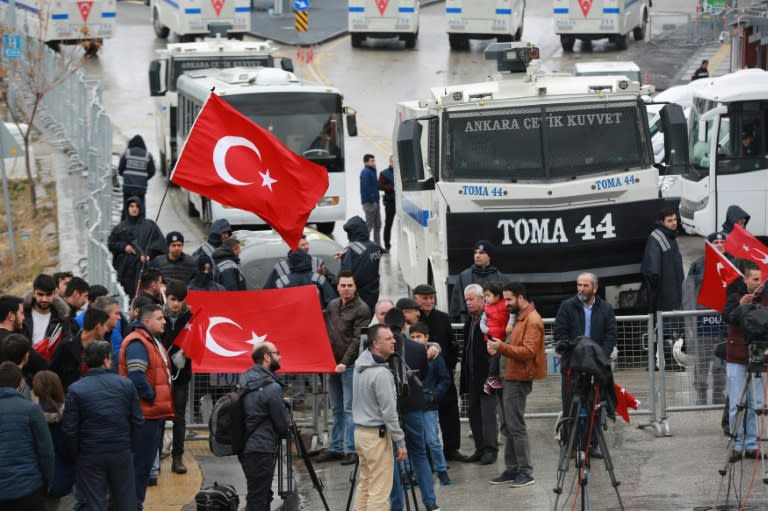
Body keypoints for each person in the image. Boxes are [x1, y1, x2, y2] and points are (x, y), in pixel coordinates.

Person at [62, 341, 143, 511]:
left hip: (90, 453)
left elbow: (70, 429)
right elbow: (137, 421)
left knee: (93, 501)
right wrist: (130, 447)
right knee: (125, 500)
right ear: (107, 360)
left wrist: (77, 454)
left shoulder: (75, 389)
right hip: (120, 449)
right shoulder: (126, 385)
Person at [487, 282, 546, 488]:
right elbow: (514, 347)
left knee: (516, 426)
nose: (506, 304)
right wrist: (499, 348)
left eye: (509, 299)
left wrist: (501, 347)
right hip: (507, 377)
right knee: (507, 426)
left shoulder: (532, 320)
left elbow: (528, 352)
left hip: (517, 379)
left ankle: (525, 471)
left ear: (521, 297)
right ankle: (512, 469)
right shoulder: (521, 318)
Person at [553, 273, 617, 457]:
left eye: (585, 285)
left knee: (594, 407)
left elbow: (611, 335)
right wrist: (574, 354)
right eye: (579, 285)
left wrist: (599, 357)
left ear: (594, 288)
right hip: (572, 366)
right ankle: (571, 446)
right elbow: (560, 332)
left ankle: (592, 445)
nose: (581, 289)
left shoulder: (605, 308)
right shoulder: (567, 306)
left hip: (596, 367)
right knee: (570, 406)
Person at [384, 308, 441, 511]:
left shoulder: (381, 350)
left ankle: (397, 505)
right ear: (405, 325)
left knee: (392, 458)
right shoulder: (417, 349)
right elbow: (424, 374)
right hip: (414, 406)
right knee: (419, 454)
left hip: (390, 409)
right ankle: (430, 501)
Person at [118, 304, 173, 509]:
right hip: (144, 415)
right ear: (147, 321)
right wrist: (152, 398)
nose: (164, 321)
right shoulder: (138, 343)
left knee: (143, 466)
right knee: (140, 467)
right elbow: (136, 377)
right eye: (160, 318)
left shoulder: (150, 341)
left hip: (150, 413)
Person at [316, 271, 371, 464]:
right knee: (337, 409)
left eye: (350, 285)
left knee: (349, 408)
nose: (346, 289)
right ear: (337, 287)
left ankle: (351, 448)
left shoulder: (362, 309)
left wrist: (344, 362)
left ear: (355, 287)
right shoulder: (332, 305)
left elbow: (357, 340)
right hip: (333, 364)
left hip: (349, 365)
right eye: (343, 285)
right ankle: (336, 446)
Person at [352, 324, 406, 511]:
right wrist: (400, 442)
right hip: (376, 436)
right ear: (375, 344)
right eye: (388, 339)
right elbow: (389, 414)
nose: (394, 341)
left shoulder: (360, 364)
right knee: (379, 491)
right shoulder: (381, 373)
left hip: (361, 433)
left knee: (366, 484)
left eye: (393, 337)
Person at [413, 283, 464, 462]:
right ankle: (428, 453)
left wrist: (448, 365)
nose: (429, 301)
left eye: (431, 297)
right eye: (425, 298)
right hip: (422, 376)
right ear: (416, 298)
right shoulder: (414, 319)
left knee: (450, 410)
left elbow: (451, 344)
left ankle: (452, 448)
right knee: (424, 415)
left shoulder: (442, 318)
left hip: (443, 372)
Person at [723, 261, 768, 460]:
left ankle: (751, 444)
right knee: (736, 403)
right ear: (746, 279)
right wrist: (742, 306)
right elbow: (728, 317)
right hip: (736, 354)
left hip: (757, 353)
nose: (759, 284)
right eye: (755, 279)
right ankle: (736, 444)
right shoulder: (734, 295)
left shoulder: (765, 297)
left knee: (755, 402)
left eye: (761, 279)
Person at [239, 342, 290, 511]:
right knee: (258, 499)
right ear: (267, 357)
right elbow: (283, 425)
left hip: (246, 445)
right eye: (277, 353)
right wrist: (284, 410)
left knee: (259, 494)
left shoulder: (246, 378)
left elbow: (257, 405)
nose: (280, 356)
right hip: (261, 448)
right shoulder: (272, 387)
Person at [0, 361, 54, 511]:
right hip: (28, 487)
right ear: (21, 383)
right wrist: (47, 482)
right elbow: (46, 451)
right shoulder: (31, 410)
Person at [683, 232, 728, 404]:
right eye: (715, 242)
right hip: (704, 322)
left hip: (724, 322)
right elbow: (688, 294)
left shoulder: (732, 264)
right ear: (709, 245)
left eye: (722, 242)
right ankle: (701, 395)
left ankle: (718, 394)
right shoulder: (698, 265)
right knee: (702, 361)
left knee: (721, 361)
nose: (719, 244)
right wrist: (690, 318)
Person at [409, 322, 452, 486]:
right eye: (412, 337)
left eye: (419, 336)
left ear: (426, 337)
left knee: (433, 440)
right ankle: (414, 473)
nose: (416, 340)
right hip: (413, 404)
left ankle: (442, 470)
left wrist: (434, 396)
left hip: (428, 403)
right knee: (414, 441)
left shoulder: (435, 356)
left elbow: (444, 379)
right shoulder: (409, 355)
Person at [460, 284, 498, 465]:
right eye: (466, 299)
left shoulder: (489, 319)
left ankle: (490, 450)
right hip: (472, 376)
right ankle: (480, 448)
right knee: (473, 412)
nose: (468, 303)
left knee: (488, 413)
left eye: (471, 299)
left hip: (487, 376)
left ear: (482, 299)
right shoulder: (471, 320)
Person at [108, 197, 166, 298]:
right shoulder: (120, 228)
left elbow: (160, 244)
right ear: (127, 208)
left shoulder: (150, 225)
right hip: (127, 271)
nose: (134, 209)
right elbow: (111, 243)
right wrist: (124, 247)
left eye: (137, 206)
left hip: (146, 269)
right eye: (131, 206)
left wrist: (148, 254)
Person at [32, 371, 75, 502]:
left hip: (36, 480)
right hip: (65, 477)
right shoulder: (68, 413)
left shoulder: (31, 413)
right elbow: (68, 447)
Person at [50, 308, 111, 392]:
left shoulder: (103, 348)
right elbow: (52, 372)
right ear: (98, 326)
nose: (107, 329)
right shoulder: (65, 346)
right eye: (105, 325)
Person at [449, 240, 505, 323]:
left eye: (481, 253)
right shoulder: (464, 276)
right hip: (469, 323)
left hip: (492, 324)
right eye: (475, 253)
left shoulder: (499, 277)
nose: (477, 256)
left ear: (489, 256)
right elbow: (455, 304)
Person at [641, 207, 684, 313]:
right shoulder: (658, 237)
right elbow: (653, 271)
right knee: (668, 324)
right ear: (661, 222)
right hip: (666, 295)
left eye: (675, 219)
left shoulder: (669, 235)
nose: (674, 223)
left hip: (674, 291)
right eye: (670, 221)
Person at [263, 249, 337, 308]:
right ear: (307, 259)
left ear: (290, 262)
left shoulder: (282, 282)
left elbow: (269, 301)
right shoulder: (318, 278)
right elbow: (333, 301)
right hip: (316, 320)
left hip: (291, 321)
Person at [339, 216, 382, 314]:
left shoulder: (352, 250)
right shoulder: (374, 246)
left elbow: (345, 275)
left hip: (358, 296)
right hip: (373, 292)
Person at [264, 233, 336, 289]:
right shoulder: (280, 267)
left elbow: (332, 283)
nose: (307, 247)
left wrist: (324, 275)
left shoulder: (318, 263)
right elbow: (269, 291)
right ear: (294, 247)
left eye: (307, 244)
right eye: (303, 245)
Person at [480, 281, 511, 395]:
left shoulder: (505, 304)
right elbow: (482, 322)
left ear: (497, 296)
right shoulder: (487, 307)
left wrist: (510, 325)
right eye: (485, 296)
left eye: (488, 295)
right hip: (493, 337)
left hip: (502, 337)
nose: (486, 298)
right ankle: (491, 378)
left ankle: (488, 383)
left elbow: (512, 315)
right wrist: (486, 330)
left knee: (498, 357)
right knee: (495, 356)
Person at [118, 134, 156, 217]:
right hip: (140, 188)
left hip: (128, 187)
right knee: (140, 207)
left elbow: (120, 169)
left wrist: (126, 176)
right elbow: (152, 171)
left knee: (127, 207)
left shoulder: (127, 153)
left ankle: (125, 225)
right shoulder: (147, 155)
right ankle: (140, 226)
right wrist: (144, 178)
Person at [360, 153, 382, 247]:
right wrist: (373, 201)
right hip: (370, 203)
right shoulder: (365, 172)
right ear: (366, 162)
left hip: (375, 202)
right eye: (372, 161)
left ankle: (378, 246)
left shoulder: (372, 170)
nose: (374, 162)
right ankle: (365, 247)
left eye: (374, 160)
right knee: (369, 227)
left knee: (378, 225)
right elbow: (366, 188)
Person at [378, 155, 395, 254]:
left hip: (402, 202)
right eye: (393, 161)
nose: (395, 163)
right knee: (388, 224)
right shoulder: (384, 173)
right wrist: (391, 187)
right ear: (390, 162)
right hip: (390, 202)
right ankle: (387, 245)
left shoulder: (401, 172)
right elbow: (379, 185)